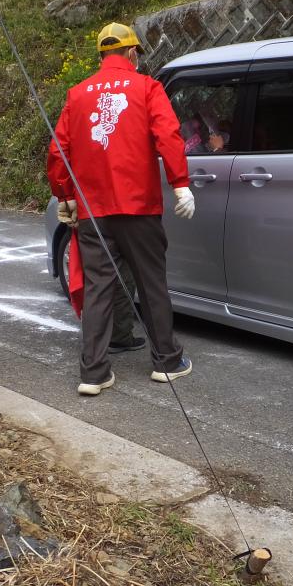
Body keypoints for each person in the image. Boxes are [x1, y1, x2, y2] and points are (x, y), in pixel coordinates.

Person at [48, 22, 195, 396]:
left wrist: (64, 195)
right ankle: (167, 361)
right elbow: (168, 136)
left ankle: (94, 374)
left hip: (94, 211)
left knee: (98, 287)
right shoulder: (147, 88)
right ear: (132, 53)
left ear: (102, 55)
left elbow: (57, 150)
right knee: (151, 282)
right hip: (139, 205)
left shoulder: (78, 94)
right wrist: (180, 185)